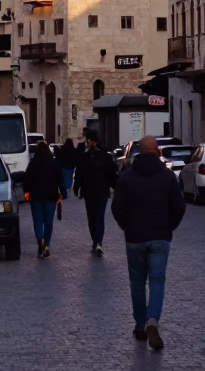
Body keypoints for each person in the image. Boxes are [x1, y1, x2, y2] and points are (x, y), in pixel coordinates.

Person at [111, 134, 185, 350]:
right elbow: (179, 206)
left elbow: (117, 208)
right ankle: (153, 319)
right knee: (157, 280)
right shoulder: (168, 176)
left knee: (137, 283)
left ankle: (141, 325)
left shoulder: (127, 177)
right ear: (158, 152)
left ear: (139, 153)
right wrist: (169, 226)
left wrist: (127, 226)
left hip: (134, 237)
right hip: (160, 237)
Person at [74, 130, 118, 256]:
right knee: (99, 217)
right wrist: (115, 186)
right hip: (102, 190)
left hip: (90, 191)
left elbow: (79, 174)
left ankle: (96, 241)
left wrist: (77, 187)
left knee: (92, 217)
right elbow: (112, 173)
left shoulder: (86, 156)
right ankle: (98, 241)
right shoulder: (105, 155)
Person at [24, 141, 67, 257]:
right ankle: (46, 245)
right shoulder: (53, 163)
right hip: (50, 196)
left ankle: (40, 241)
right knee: (48, 222)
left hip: (36, 196)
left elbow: (26, 179)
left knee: (37, 221)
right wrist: (63, 192)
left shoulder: (33, 164)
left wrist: (26, 192)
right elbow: (60, 179)